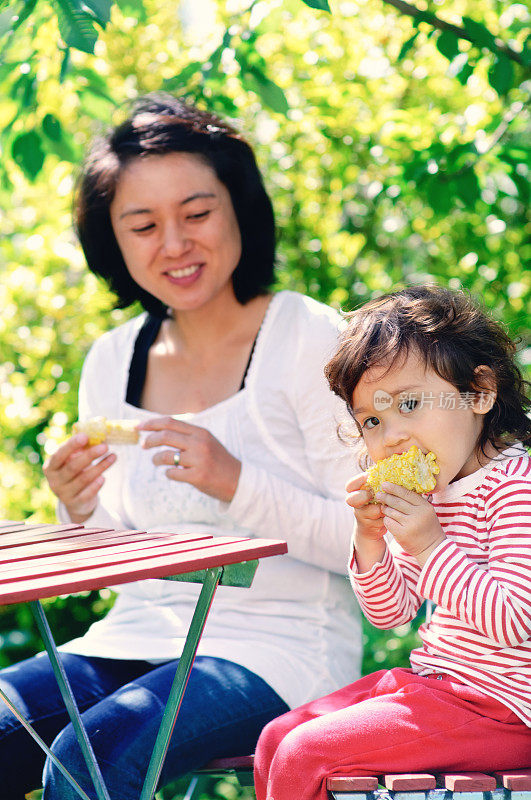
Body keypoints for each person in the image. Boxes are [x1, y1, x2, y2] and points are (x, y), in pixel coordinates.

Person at [0, 95, 363, 800]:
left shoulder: (307, 336)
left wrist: (236, 481)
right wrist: (81, 513)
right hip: (130, 637)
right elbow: (129, 563)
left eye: (196, 214)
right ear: (113, 239)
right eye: (142, 225)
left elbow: (368, 543)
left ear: (238, 209)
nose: (173, 244)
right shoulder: (112, 358)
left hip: (280, 650)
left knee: (89, 759)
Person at [254, 285, 531, 800]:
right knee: (275, 738)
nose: (393, 437)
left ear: (480, 393)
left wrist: (429, 545)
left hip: (505, 709)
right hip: (440, 686)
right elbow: (393, 613)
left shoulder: (515, 487)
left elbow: (517, 620)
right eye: (373, 421)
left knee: (304, 755)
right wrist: (371, 540)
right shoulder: (437, 490)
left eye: (410, 403)